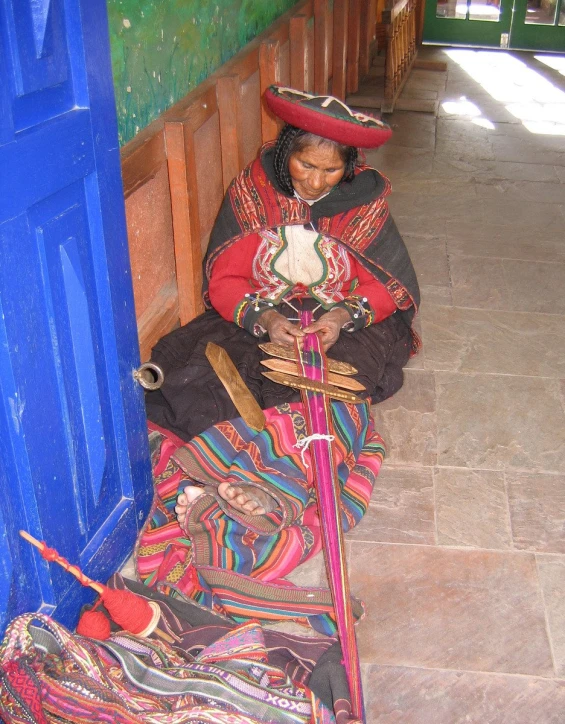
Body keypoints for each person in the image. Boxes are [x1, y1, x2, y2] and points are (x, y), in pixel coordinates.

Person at [145, 85, 420, 450]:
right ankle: (226, 463)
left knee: (329, 391)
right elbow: (225, 280)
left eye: (332, 169)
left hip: (341, 317)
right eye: (305, 165)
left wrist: (339, 318)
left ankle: (281, 471)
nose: (315, 182)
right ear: (285, 152)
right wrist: (269, 321)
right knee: (215, 383)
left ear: (349, 166)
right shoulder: (253, 193)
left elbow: (386, 285)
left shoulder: (364, 204)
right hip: (263, 310)